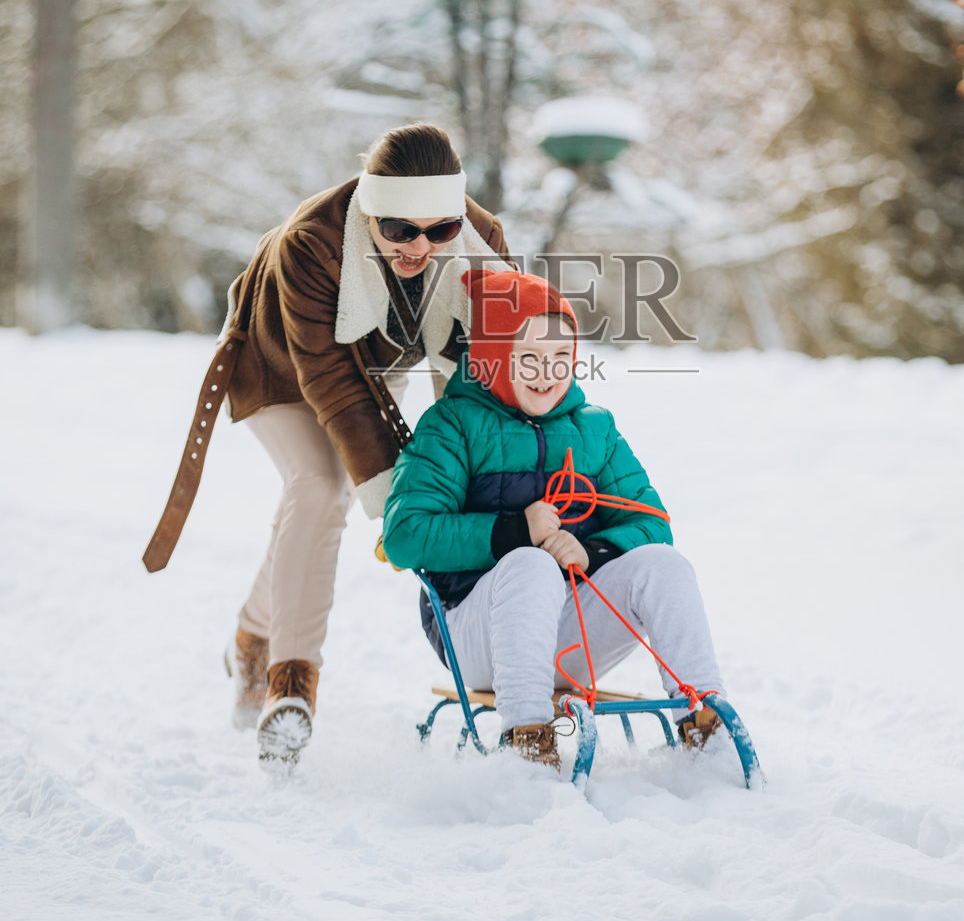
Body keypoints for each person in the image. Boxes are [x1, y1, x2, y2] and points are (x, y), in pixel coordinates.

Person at [143, 123, 511, 765]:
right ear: (371, 211)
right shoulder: (310, 243)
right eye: (399, 229)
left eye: (439, 230)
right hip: (279, 365)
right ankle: (291, 687)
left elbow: (478, 374)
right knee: (320, 484)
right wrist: (400, 506)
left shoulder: (483, 243)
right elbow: (333, 386)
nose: (420, 247)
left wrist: (466, 478)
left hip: (373, 366)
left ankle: (252, 634)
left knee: (311, 508)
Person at [381, 269, 725, 769]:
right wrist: (515, 532)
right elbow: (405, 535)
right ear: (494, 355)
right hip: (476, 632)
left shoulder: (594, 429)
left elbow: (653, 523)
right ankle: (527, 739)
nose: (547, 373)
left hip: (569, 629)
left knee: (664, 564)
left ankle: (705, 723)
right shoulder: (452, 425)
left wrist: (593, 551)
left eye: (561, 356)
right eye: (528, 358)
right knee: (531, 564)